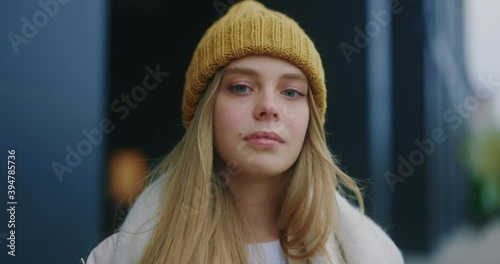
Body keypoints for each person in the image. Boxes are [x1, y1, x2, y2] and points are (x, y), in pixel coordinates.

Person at [86, 0, 404, 263]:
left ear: (312, 120)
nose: (268, 106)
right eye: (241, 87)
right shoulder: (118, 256)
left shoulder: (372, 254)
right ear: (205, 111)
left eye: (291, 92)